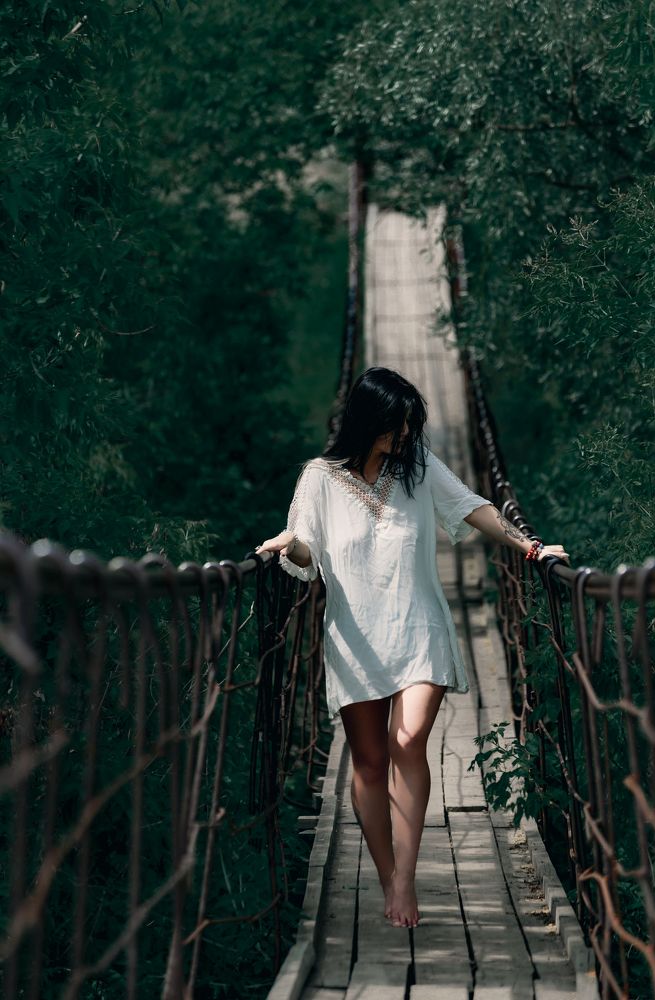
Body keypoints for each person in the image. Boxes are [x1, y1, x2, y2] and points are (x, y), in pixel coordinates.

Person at [255, 367, 569, 929]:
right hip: (355, 641)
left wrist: (531, 547)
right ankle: (386, 875)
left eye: (409, 425)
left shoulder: (418, 467)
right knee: (369, 763)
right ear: (367, 420)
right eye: (395, 425)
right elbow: (306, 554)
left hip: (419, 628)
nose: (405, 435)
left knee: (407, 740)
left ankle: (405, 878)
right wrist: (288, 545)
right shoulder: (319, 478)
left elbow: (472, 506)